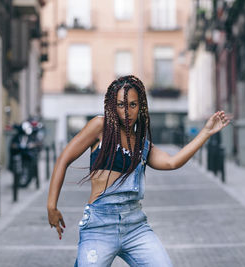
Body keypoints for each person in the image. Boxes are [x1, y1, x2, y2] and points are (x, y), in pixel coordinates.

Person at [47, 75, 230, 266]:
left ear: (141, 106)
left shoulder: (142, 144)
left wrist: (206, 132)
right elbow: (64, 159)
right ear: (112, 106)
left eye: (133, 105)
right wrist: (51, 206)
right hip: (99, 226)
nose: (127, 112)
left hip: (135, 226)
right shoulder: (101, 127)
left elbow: (172, 162)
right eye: (120, 105)